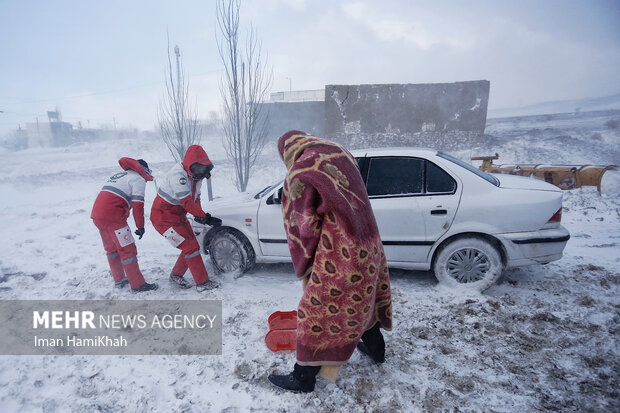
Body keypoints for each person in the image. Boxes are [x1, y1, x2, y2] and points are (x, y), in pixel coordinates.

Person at [268, 131, 393, 393]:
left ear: (287, 152)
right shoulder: (341, 154)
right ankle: (376, 351)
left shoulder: (301, 171)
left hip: (339, 252)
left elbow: (303, 227)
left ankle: (303, 378)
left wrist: (305, 265)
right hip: (369, 244)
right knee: (363, 299)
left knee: (316, 313)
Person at [150, 145, 222, 292]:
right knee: (189, 247)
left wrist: (200, 214)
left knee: (192, 245)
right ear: (191, 165)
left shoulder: (197, 177)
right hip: (163, 218)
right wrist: (206, 217)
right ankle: (202, 282)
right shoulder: (178, 175)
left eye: (203, 169)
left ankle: (176, 275)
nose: (201, 172)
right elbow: (187, 202)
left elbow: (196, 200)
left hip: (178, 215)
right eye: (198, 168)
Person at [91, 157, 158, 292]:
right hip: (114, 217)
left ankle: (119, 279)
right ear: (144, 170)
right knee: (128, 249)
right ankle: (138, 284)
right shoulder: (138, 179)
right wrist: (140, 226)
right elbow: (138, 205)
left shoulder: (118, 175)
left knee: (111, 249)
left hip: (98, 215)